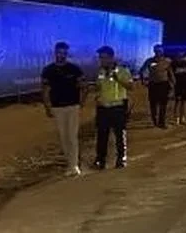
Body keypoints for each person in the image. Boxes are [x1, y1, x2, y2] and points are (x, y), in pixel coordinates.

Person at [41, 41, 85, 177]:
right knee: (63, 137)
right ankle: (70, 164)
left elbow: (84, 86)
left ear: (67, 54)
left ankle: (74, 165)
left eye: (64, 53)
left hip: (72, 106)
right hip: (57, 107)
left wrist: (81, 102)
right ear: (55, 53)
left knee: (72, 136)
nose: (62, 55)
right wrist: (47, 107)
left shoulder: (74, 69)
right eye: (59, 53)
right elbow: (45, 90)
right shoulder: (48, 70)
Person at [92, 45, 132, 169]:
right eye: (100, 58)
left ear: (111, 57)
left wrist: (117, 79)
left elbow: (130, 87)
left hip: (118, 106)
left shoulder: (123, 70)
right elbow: (99, 86)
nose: (101, 60)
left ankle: (121, 158)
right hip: (103, 107)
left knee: (119, 134)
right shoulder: (101, 71)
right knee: (102, 134)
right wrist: (95, 91)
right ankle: (100, 160)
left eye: (103, 57)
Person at [146, 46, 174, 128]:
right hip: (153, 85)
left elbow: (170, 72)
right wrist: (144, 81)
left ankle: (162, 122)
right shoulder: (150, 61)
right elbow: (142, 70)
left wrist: (173, 82)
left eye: (160, 51)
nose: (158, 53)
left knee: (163, 104)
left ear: (162, 51)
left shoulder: (167, 61)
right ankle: (154, 121)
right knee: (153, 104)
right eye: (157, 51)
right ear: (154, 51)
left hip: (163, 84)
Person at [171, 50, 186, 125]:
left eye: (180, 56)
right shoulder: (173, 64)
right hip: (177, 85)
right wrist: (172, 83)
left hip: (185, 84)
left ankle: (183, 118)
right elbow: (170, 74)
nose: (179, 57)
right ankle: (176, 118)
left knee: (184, 102)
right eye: (178, 56)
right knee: (177, 102)